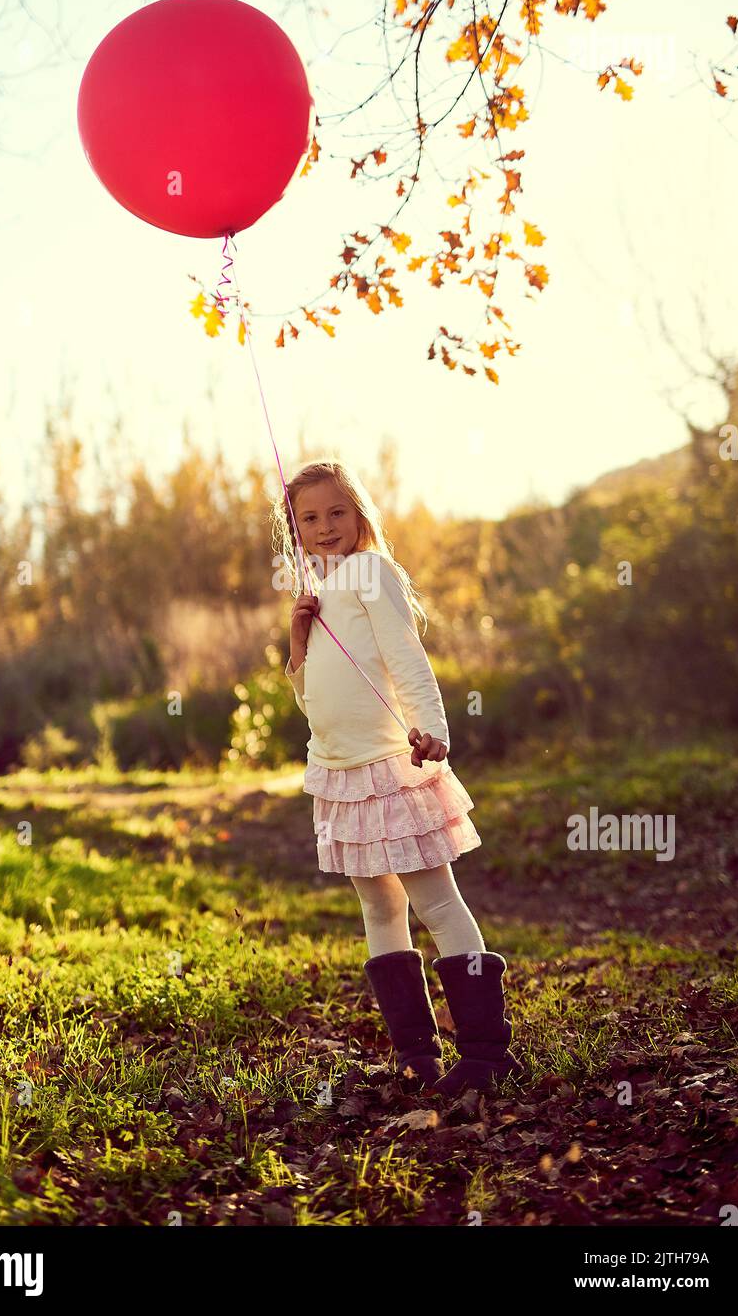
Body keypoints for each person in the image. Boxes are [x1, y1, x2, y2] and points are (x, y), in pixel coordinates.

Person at [272, 458, 520, 1098]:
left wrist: (433, 726)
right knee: (379, 907)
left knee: (435, 901)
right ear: (294, 528)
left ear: (359, 516)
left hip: (390, 766)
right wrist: (298, 640)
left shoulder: (369, 572)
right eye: (310, 518)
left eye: (337, 513)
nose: (325, 527)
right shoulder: (319, 590)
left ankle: (487, 1054)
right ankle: (416, 1054)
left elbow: (408, 657)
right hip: (340, 773)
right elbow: (312, 700)